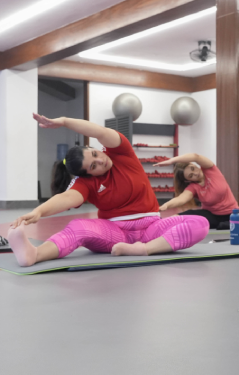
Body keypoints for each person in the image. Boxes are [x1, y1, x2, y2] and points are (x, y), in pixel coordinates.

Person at [8, 114, 209, 267]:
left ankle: (144, 250)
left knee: (200, 223)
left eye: (95, 154)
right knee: (78, 227)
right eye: (93, 166)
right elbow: (67, 197)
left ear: (95, 148)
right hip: (115, 233)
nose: (101, 161)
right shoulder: (86, 183)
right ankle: (34, 255)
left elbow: (100, 132)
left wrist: (64, 121)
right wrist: (39, 211)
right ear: (88, 174)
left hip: (152, 228)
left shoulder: (121, 153)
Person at [157, 154, 239, 229]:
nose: (195, 173)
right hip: (212, 217)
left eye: (193, 168)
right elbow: (181, 199)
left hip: (234, 214)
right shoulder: (193, 187)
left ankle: (237, 224)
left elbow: (195, 156)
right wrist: (166, 206)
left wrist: (172, 161)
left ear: (194, 165)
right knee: (181, 216)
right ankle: (158, 224)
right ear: (188, 180)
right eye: (191, 175)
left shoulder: (211, 170)